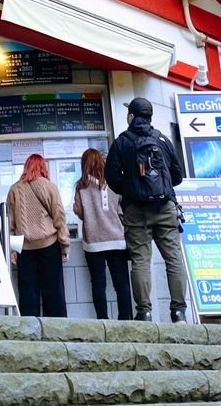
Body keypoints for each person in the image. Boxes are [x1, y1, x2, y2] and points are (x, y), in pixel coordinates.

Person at [104, 97, 188, 323]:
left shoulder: (122, 142)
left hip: (135, 210)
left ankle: (144, 312)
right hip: (165, 207)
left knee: (141, 260)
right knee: (174, 258)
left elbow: (111, 178)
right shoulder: (163, 140)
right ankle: (179, 311)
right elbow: (177, 175)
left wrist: (132, 189)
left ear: (131, 117)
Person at [73, 147, 133, 320]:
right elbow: (123, 210)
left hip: (93, 242)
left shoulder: (81, 185)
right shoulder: (115, 183)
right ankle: (124, 320)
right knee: (121, 283)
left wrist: (91, 214)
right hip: (116, 239)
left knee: (98, 284)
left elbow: (78, 210)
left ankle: (103, 320)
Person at [7, 153, 69, 317]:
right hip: (49, 247)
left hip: (25, 250)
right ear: (43, 167)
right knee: (53, 292)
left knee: (28, 293)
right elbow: (59, 217)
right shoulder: (49, 187)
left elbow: (10, 224)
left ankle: (30, 334)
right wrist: (65, 245)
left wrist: (12, 249)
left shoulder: (14, 189)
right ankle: (56, 332)